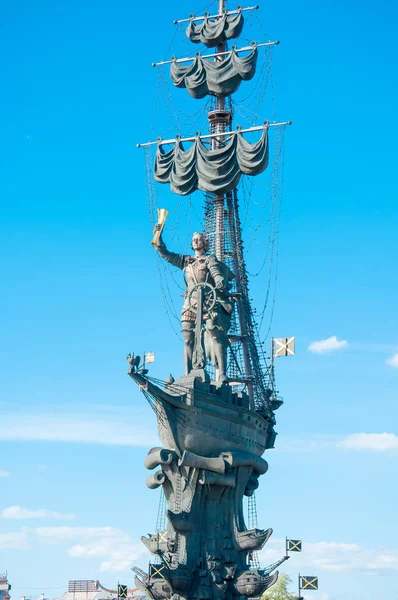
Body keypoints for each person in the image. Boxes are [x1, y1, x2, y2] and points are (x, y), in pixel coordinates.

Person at [153, 227, 234, 381]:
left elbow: (215, 271)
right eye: (194, 239)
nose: (196, 241)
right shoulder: (186, 261)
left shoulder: (209, 259)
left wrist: (219, 280)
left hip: (208, 302)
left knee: (214, 331)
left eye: (199, 239)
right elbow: (167, 255)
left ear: (205, 243)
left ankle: (222, 373)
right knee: (187, 338)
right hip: (190, 303)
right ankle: (188, 373)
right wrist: (158, 237)